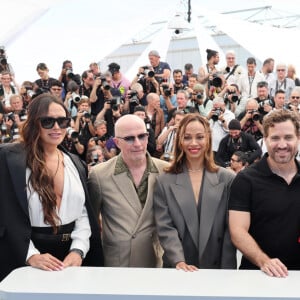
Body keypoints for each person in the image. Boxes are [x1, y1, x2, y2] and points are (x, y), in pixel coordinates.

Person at [0, 94, 103, 281]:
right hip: (23, 259)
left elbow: (83, 213)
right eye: (48, 121)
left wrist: (78, 249)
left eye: (62, 121)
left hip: (71, 258)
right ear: (34, 123)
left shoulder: (75, 162)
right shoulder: (9, 159)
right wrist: (31, 255)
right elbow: (5, 214)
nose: (56, 127)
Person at [153, 113, 236, 271]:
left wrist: (227, 271)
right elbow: (165, 227)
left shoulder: (227, 179)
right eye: (187, 137)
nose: (193, 143)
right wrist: (178, 260)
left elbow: (229, 232)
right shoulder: (164, 181)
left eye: (199, 137)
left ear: (208, 139)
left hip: (216, 269)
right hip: (178, 269)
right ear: (179, 141)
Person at [88, 114, 169, 267]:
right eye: (130, 138)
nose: (138, 143)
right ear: (117, 142)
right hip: (117, 262)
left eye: (142, 136)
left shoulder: (165, 171)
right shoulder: (99, 175)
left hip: (155, 261)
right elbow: (91, 223)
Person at [229, 109, 300, 277]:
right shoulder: (246, 180)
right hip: (258, 275)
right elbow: (237, 231)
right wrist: (264, 261)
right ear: (265, 139)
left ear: (298, 138)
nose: (282, 144)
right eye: (275, 138)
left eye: (288, 137)